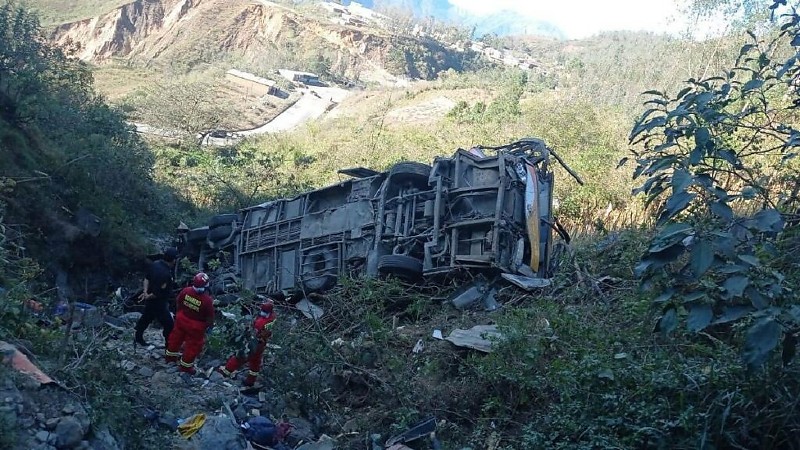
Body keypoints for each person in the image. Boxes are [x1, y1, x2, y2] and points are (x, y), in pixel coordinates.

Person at [217, 297, 277, 386]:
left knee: (240, 356)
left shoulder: (261, 322)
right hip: (262, 344)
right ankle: (250, 381)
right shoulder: (273, 317)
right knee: (255, 362)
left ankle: (226, 372)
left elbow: (253, 330)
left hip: (254, 342)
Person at [165, 272, 215, 375]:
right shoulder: (207, 300)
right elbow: (210, 317)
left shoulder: (186, 291)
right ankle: (186, 367)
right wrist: (209, 327)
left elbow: (178, 302)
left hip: (182, 320)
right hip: (196, 327)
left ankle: (170, 358)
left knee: (175, 339)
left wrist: (178, 314)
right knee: (192, 346)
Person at [134, 247, 178, 347]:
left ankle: (138, 337)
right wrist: (149, 296)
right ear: (174, 260)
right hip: (159, 303)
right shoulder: (166, 274)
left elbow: (146, 279)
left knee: (146, 318)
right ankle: (169, 345)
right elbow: (159, 292)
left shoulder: (155, 264)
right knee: (169, 324)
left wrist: (145, 292)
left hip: (151, 299)